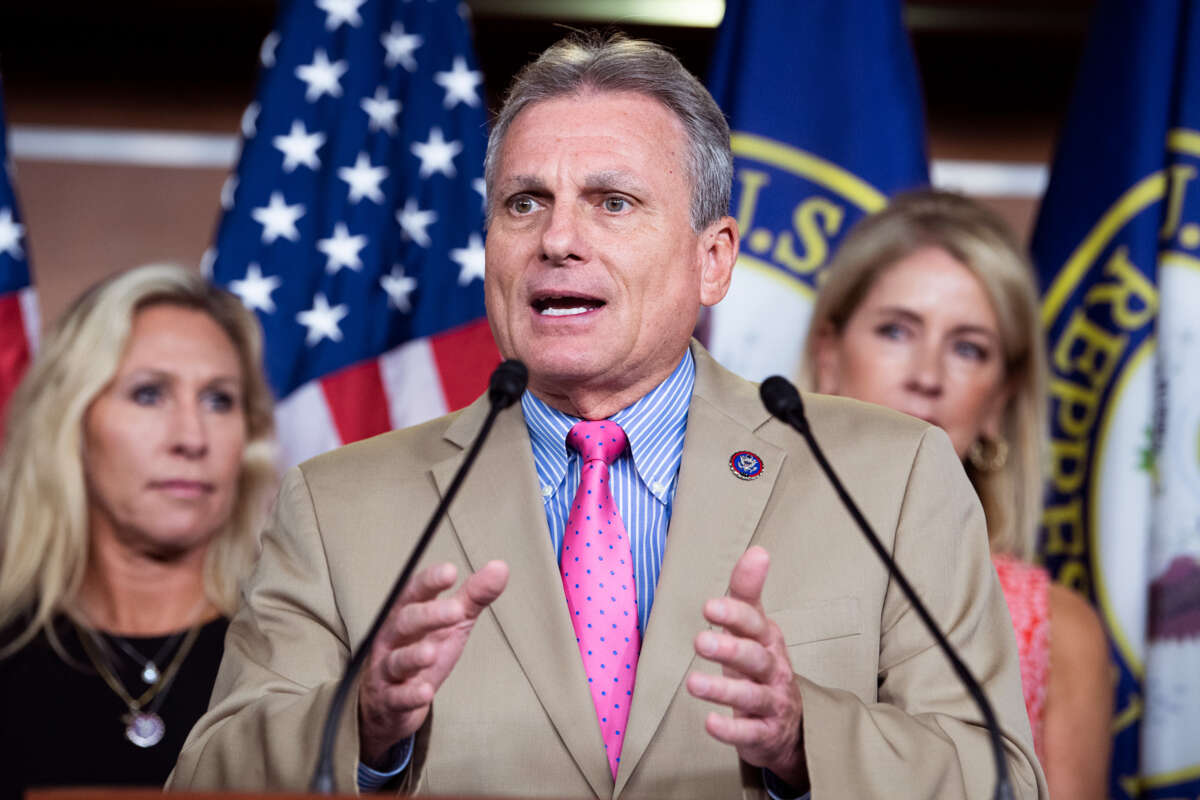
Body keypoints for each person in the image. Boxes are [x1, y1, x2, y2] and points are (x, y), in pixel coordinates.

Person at [171, 34, 1046, 798]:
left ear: (713, 261)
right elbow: (202, 782)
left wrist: (802, 737)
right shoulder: (336, 506)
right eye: (524, 203)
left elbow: (997, 776)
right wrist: (357, 728)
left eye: (612, 202)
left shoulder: (889, 479)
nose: (557, 239)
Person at [802, 189, 1111, 799]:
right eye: (896, 330)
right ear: (829, 355)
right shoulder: (723, 568)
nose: (928, 376)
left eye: (968, 348)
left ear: (998, 400)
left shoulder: (1060, 630)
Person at [0, 264, 276, 799]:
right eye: (149, 393)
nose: (192, 437)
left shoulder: (298, 660)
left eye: (219, 399)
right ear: (71, 423)